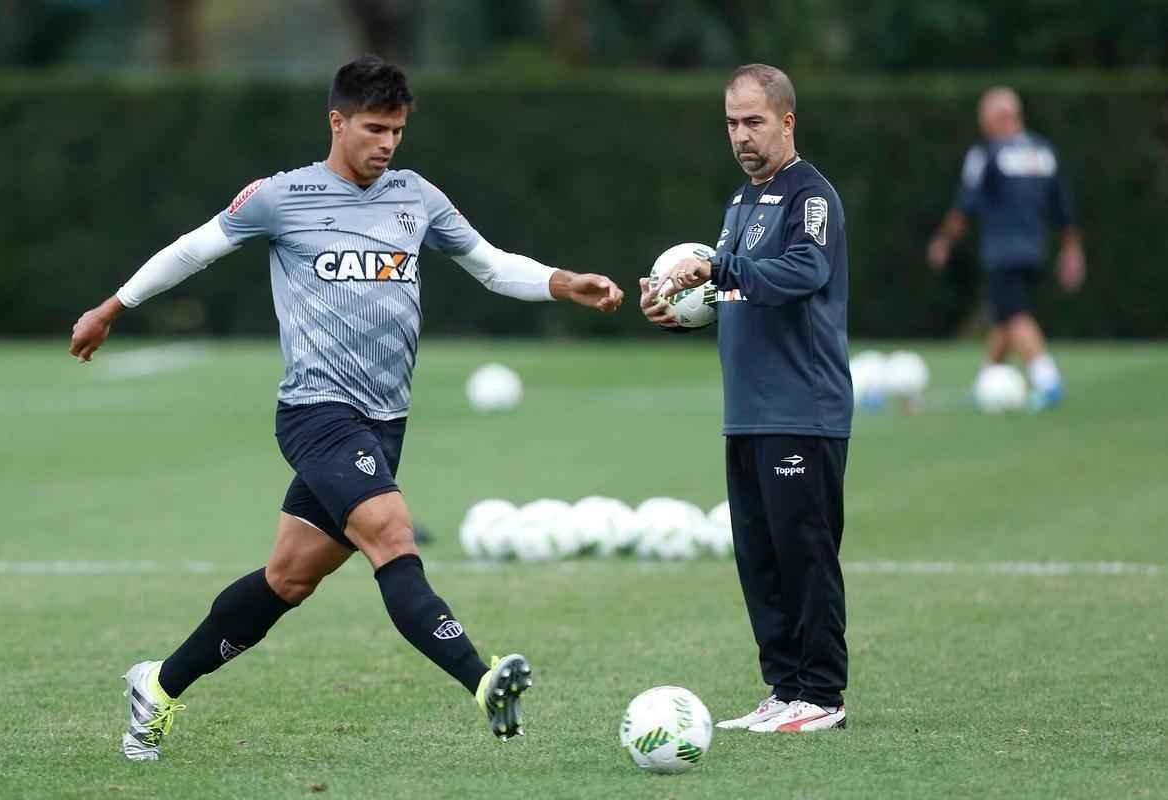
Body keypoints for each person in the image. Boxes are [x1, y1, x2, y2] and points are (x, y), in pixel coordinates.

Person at [69, 55, 625, 761]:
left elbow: (488, 263)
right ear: (337, 121)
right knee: (392, 537)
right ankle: (483, 682)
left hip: (382, 423)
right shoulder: (281, 196)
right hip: (316, 412)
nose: (386, 144)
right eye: (373, 128)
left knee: (288, 579)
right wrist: (112, 307)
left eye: (396, 130)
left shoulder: (414, 196)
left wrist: (563, 282)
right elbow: (192, 250)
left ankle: (158, 684)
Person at [643, 64, 852, 733]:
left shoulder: (808, 196)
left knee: (804, 557)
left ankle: (821, 695)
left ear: (786, 121)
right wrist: (685, 311)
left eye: (754, 121)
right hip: (747, 413)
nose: (741, 135)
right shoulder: (739, 203)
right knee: (759, 560)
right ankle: (783, 688)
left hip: (802, 410)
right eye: (731, 122)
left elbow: (802, 271)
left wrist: (717, 268)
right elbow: (734, 291)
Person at [927, 87, 1085, 411]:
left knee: (1014, 315)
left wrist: (944, 240)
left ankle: (1048, 381)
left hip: (1002, 252)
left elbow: (964, 205)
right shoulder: (1044, 151)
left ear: (997, 118)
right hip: (1035, 250)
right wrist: (1071, 250)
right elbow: (1063, 207)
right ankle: (986, 381)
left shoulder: (987, 153)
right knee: (1002, 318)